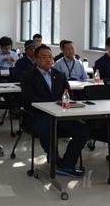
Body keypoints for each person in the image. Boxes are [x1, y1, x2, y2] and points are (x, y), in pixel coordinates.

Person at [21, 45, 89, 177]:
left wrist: (66, 103)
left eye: (50, 57)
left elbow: (69, 95)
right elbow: (28, 99)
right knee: (47, 127)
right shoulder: (28, 76)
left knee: (83, 129)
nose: (48, 59)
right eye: (43, 57)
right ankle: (54, 158)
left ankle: (67, 164)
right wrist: (50, 105)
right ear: (35, 59)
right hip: (39, 115)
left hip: (60, 114)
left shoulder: (59, 75)